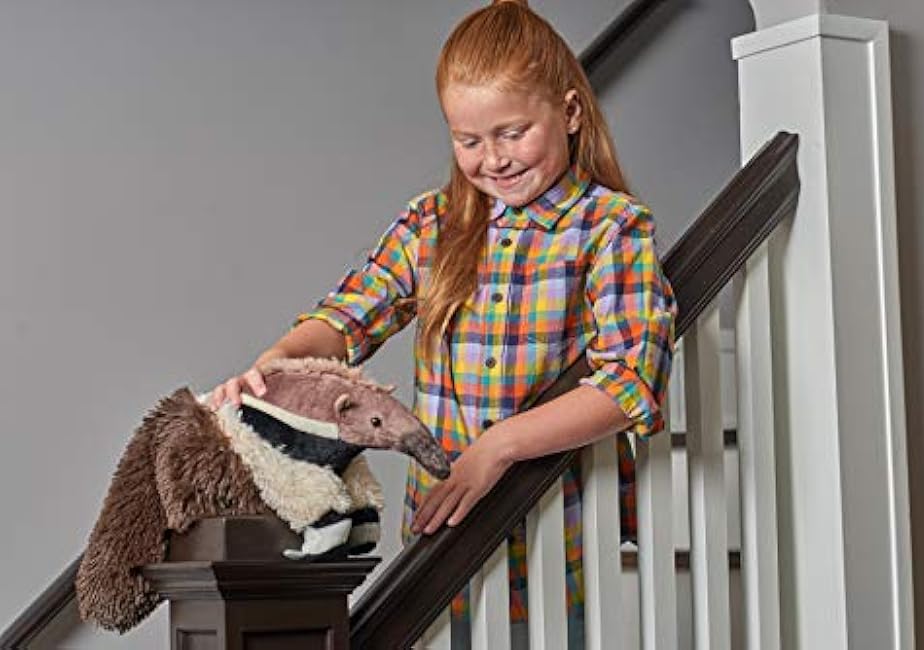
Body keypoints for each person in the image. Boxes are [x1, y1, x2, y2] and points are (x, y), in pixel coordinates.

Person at [209, 0, 676, 646]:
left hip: (561, 529)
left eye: (512, 132)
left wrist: (496, 448)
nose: (493, 159)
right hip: (444, 538)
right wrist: (274, 367)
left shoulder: (611, 228)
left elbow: (628, 384)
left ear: (569, 112)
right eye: (469, 141)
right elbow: (344, 320)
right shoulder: (430, 225)